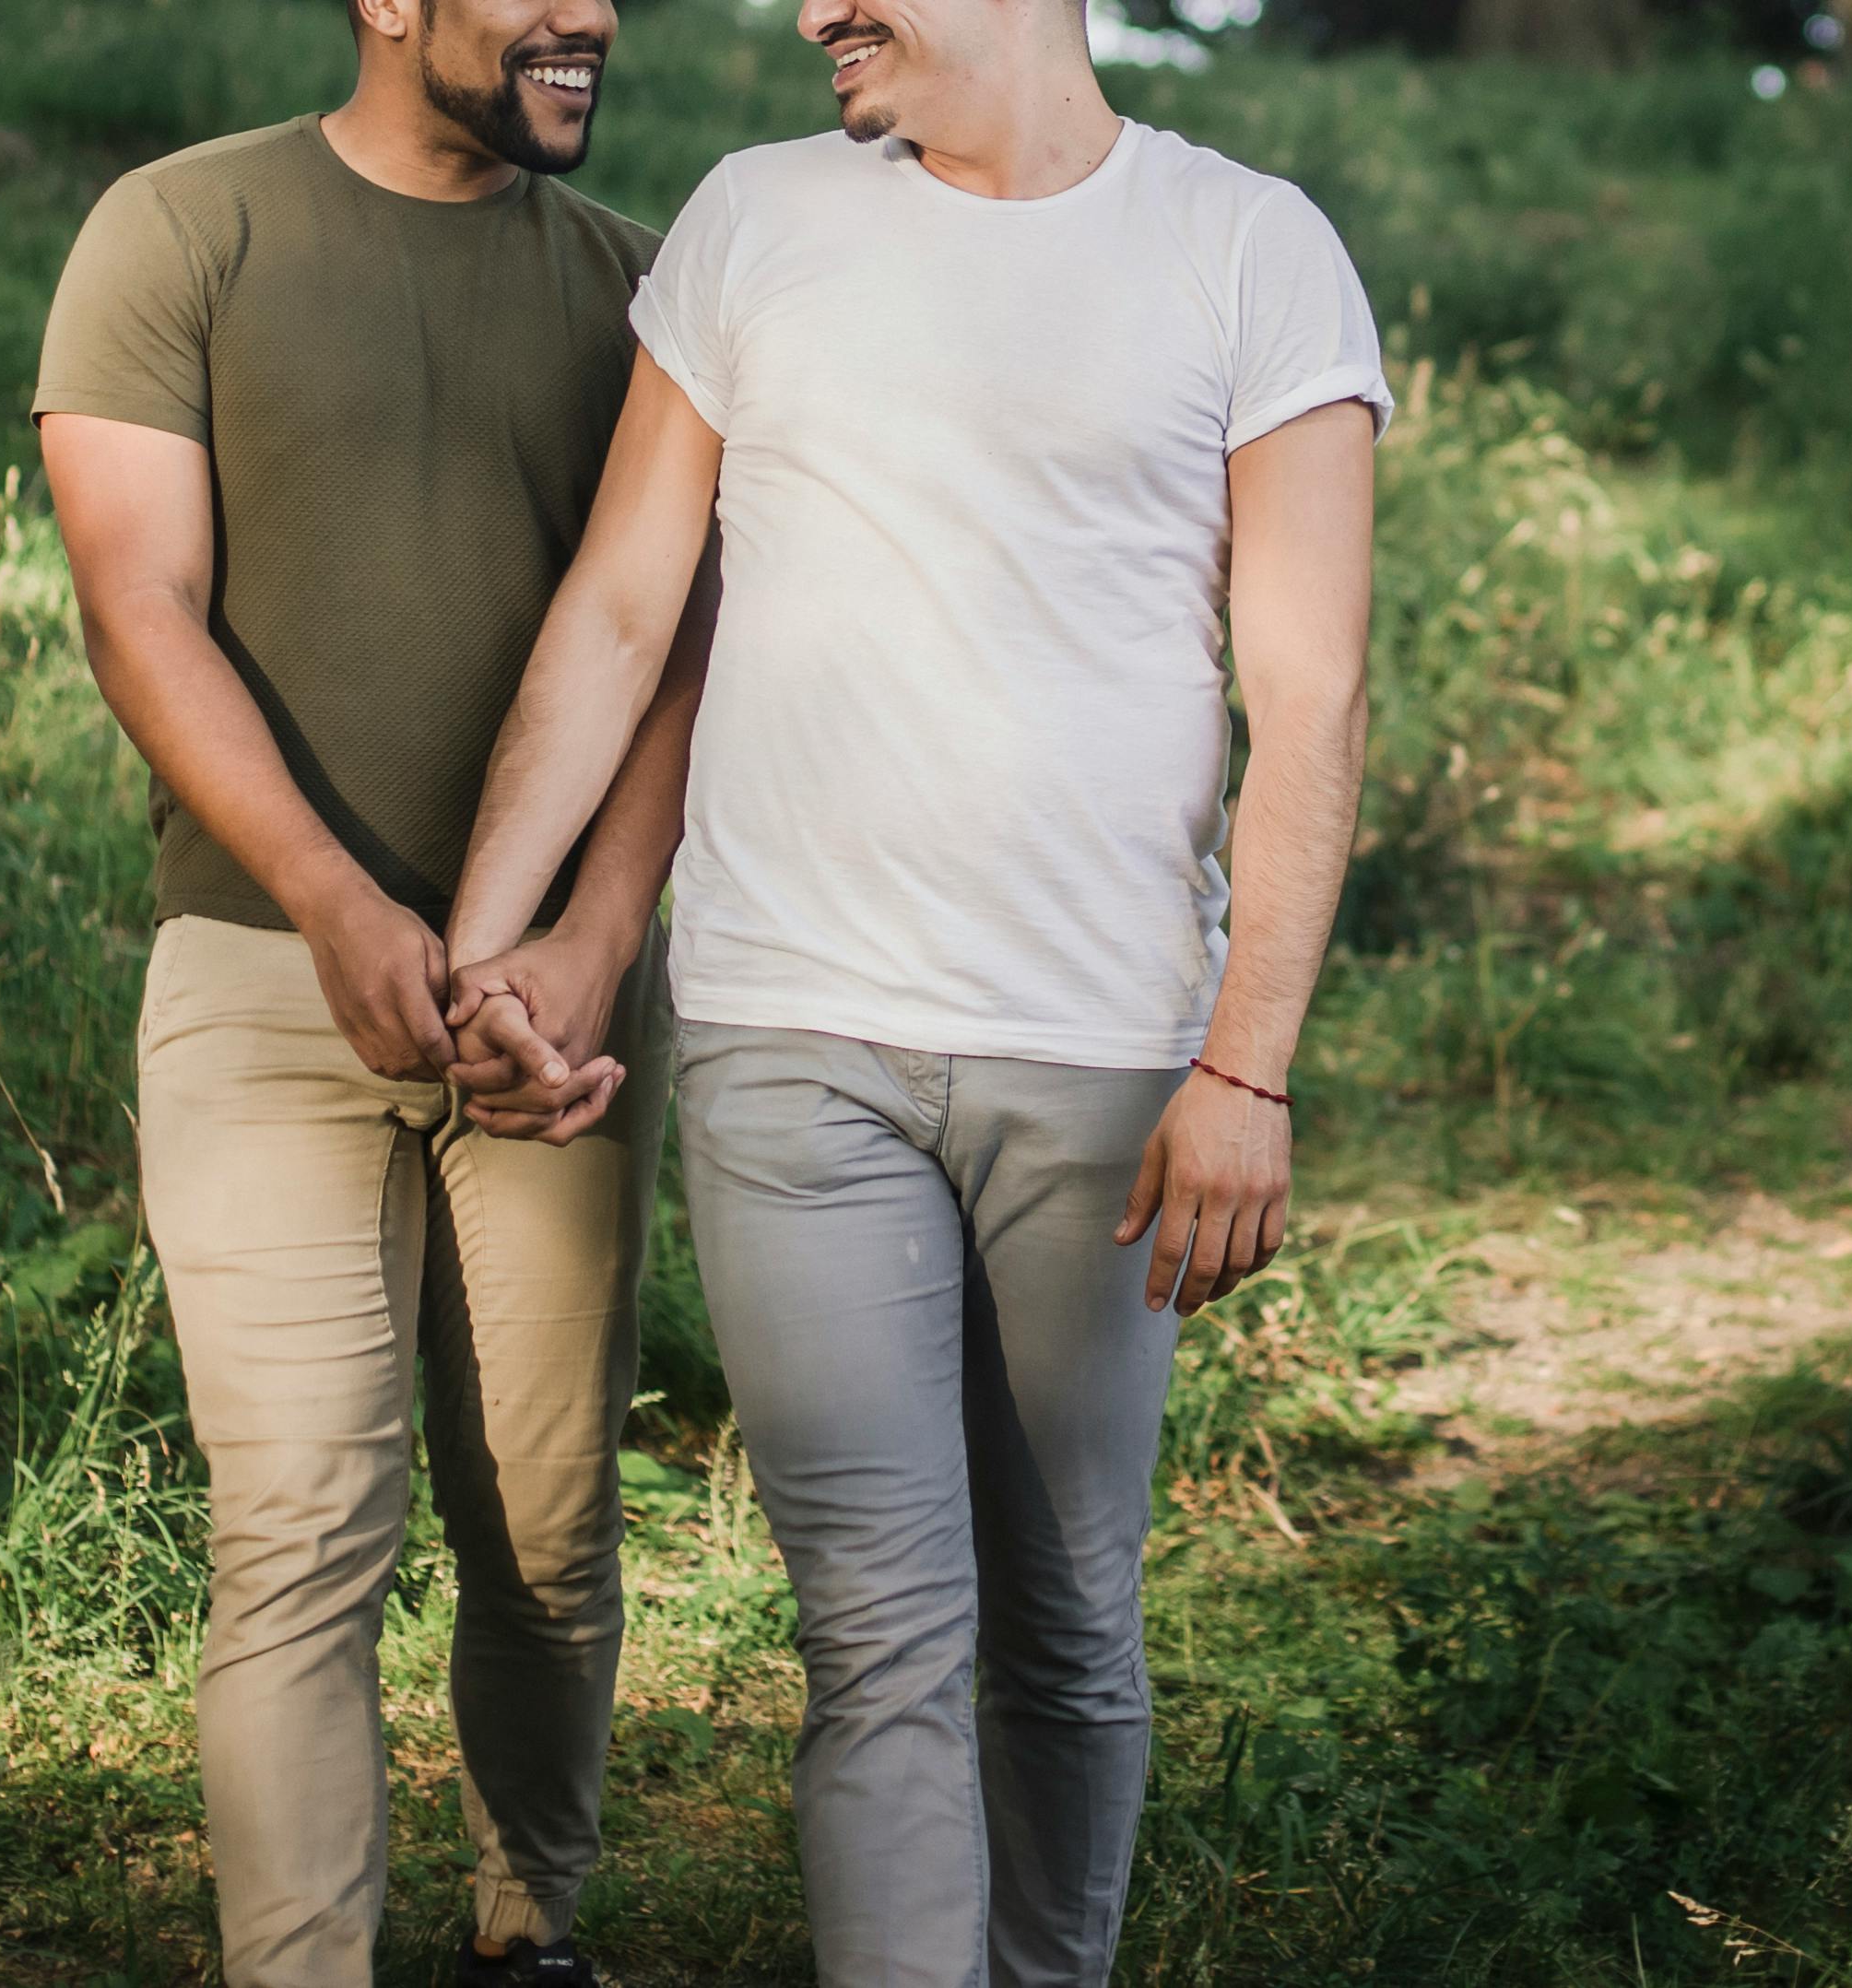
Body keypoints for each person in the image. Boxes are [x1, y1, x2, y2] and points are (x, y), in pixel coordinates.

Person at [435, 0, 1387, 1977]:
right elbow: (622, 605)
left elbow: (1307, 695)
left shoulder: (1248, 247)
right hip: (794, 1044)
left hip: (1107, 1062)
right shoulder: (752, 218)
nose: (811, 11)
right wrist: (486, 942)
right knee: (875, 1632)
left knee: (1068, 1624)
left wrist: (1251, 1063)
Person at [32, 2, 711, 1981]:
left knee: (553, 1537)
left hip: (556, 1025)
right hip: (262, 982)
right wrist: (333, 900)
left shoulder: (648, 289)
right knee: (304, 1528)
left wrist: (588, 942)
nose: (586, 12)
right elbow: (135, 602)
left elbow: (679, 640)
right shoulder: (179, 232)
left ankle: (529, 1931)